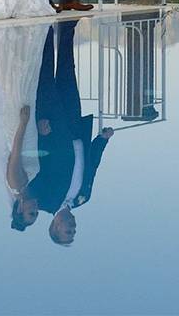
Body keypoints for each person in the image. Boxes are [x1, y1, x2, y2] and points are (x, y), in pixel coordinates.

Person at [26, 20, 114, 245]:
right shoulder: (83, 198)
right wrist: (102, 140)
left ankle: (44, 29)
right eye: (73, 233)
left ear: (54, 227)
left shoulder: (43, 201)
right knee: (67, 72)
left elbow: (34, 168)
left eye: (67, 232)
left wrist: (41, 134)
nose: (73, 229)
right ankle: (67, 27)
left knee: (45, 73)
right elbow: (92, 166)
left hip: (53, 129)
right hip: (75, 127)